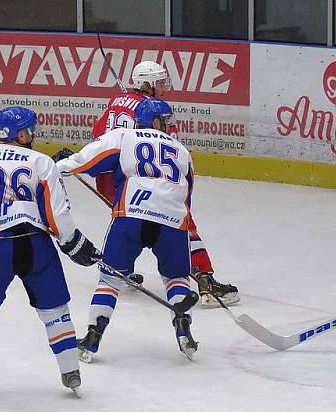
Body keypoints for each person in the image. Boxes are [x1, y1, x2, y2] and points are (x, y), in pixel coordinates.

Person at [0, 107, 102, 401]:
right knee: (56, 313)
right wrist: (74, 243)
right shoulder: (43, 163)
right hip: (37, 245)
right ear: (20, 134)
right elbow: (57, 215)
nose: (33, 134)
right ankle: (70, 371)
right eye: (30, 130)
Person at [55, 98, 199, 361]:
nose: (169, 125)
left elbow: (88, 161)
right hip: (173, 221)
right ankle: (182, 330)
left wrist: (59, 167)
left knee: (110, 278)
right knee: (176, 277)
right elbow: (187, 195)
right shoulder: (182, 151)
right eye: (166, 121)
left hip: (131, 216)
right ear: (156, 122)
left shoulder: (124, 136)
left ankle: (92, 338)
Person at [90, 60, 239, 307]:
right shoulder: (152, 111)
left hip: (109, 178)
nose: (164, 87)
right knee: (180, 221)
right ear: (145, 84)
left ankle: (119, 269)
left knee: (130, 223)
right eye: (159, 83)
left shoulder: (117, 100)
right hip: (138, 178)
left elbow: (98, 136)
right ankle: (205, 280)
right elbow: (168, 149)